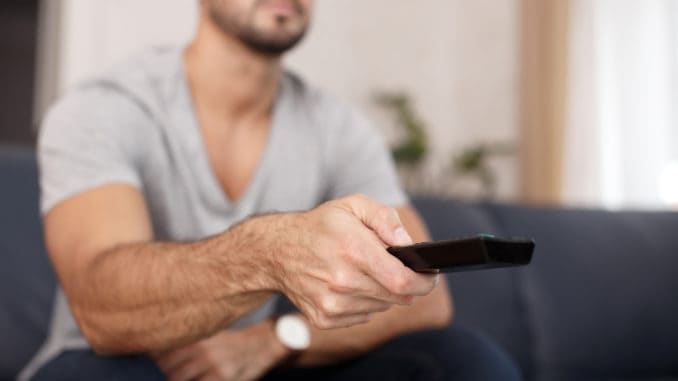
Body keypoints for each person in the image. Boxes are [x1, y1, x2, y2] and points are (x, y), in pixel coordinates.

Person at [20, 0, 522, 380]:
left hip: (253, 365)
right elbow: (100, 309)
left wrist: (278, 337)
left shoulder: (337, 128)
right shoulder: (101, 110)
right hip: (113, 362)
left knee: (463, 359)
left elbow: (429, 302)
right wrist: (266, 255)